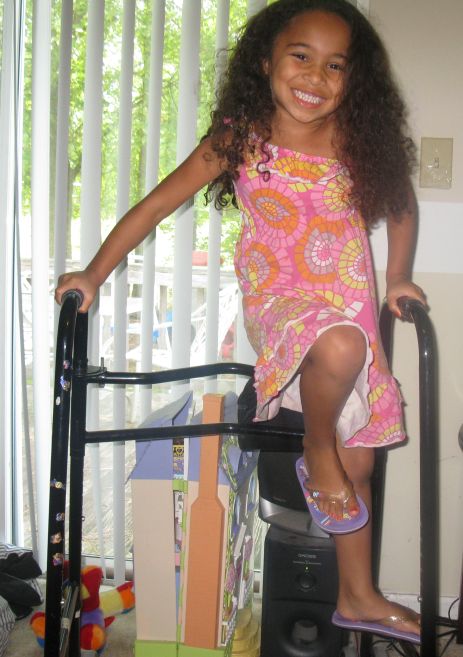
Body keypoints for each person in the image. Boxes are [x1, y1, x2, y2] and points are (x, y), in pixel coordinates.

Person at [56, 0, 426, 644]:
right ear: (265, 61)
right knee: (338, 363)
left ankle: (358, 595)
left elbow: (400, 206)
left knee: (360, 461)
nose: (315, 76)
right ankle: (316, 452)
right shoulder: (242, 137)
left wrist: (397, 276)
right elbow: (157, 205)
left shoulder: (355, 141)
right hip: (281, 301)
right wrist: (93, 273)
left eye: (335, 65)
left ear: (354, 78)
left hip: (349, 303)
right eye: (301, 56)